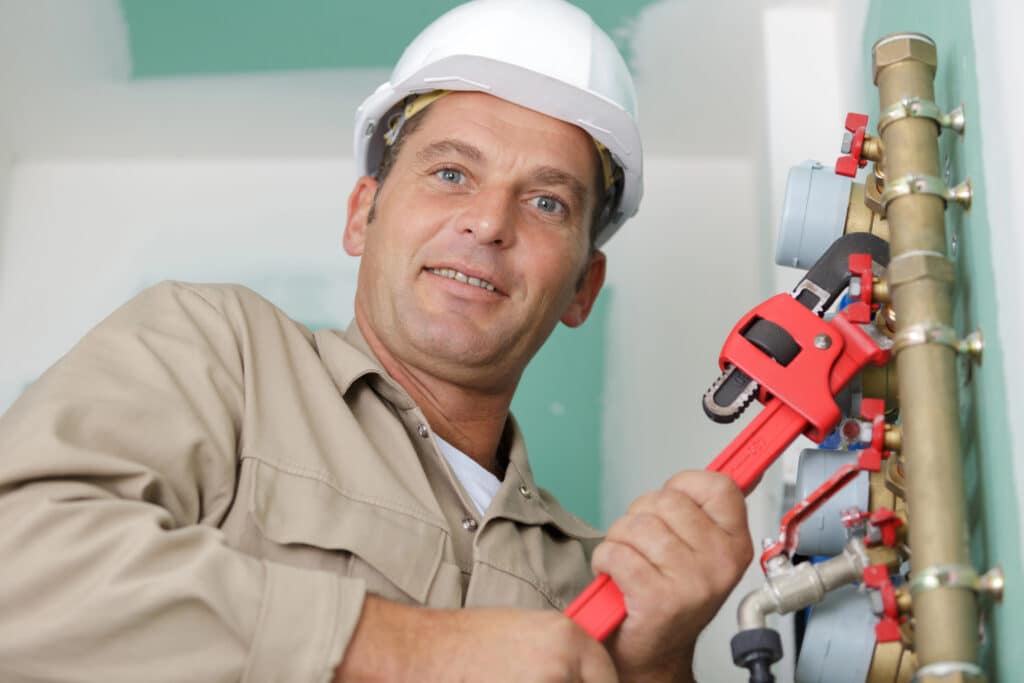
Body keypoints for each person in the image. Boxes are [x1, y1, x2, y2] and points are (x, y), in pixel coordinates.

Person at [0, 1, 752, 681]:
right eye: (452, 172)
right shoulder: (218, 352)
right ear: (363, 214)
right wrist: (415, 648)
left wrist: (657, 666)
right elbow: (19, 565)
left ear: (583, 289)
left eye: (547, 200)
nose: (489, 222)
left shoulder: (596, 575)